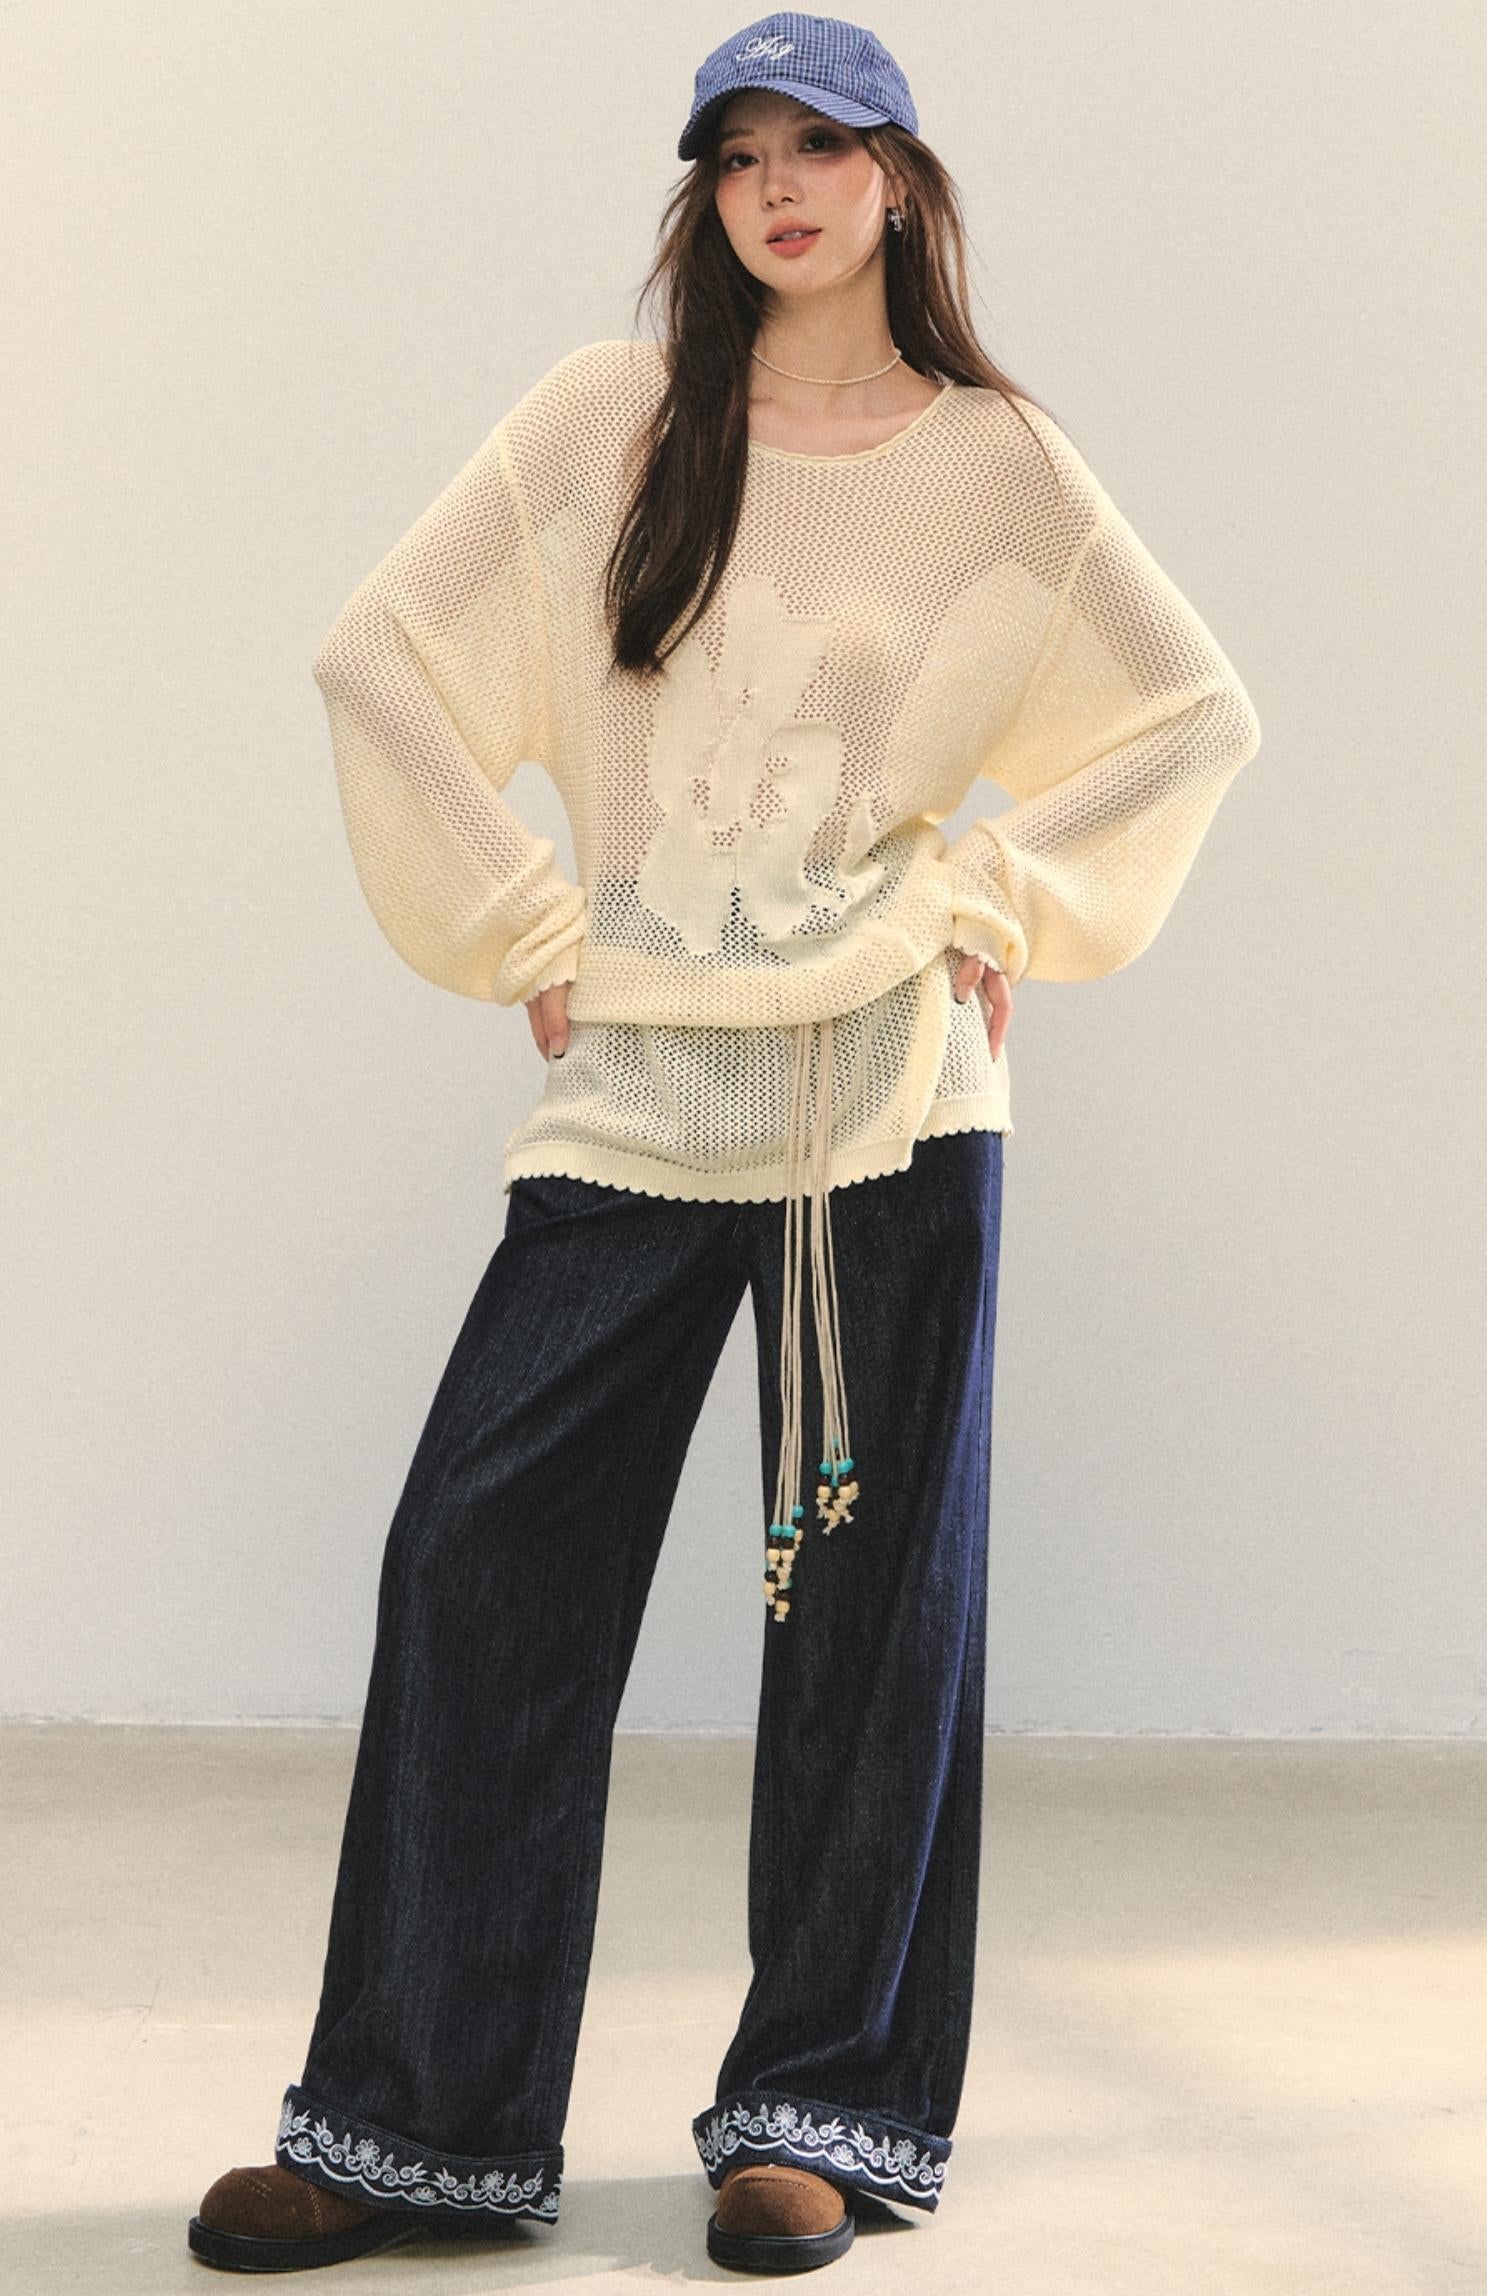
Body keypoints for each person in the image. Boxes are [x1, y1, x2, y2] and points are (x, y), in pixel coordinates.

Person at [187, 8, 1261, 2277]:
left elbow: (1192, 711)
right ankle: (414, 2125)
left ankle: (822, 2114)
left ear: (899, 184)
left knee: (871, 1605)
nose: (780, 185)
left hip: (888, 1095)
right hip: (644, 1084)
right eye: (740, 152)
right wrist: (526, 927)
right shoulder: (607, 422)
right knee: (478, 1555)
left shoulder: (995, 466)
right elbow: (377, 658)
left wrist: (997, 898)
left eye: (823, 147)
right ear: (709, 193)